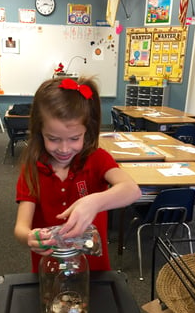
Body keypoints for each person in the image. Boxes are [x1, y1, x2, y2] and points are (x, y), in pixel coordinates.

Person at [14, 76, 141, 272]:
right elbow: (21, 228)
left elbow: (132, 190)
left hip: (94, 270)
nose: (64, 149)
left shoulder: (97, 159)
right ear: (40, 132)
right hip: (51, 270)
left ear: (86, 132)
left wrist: (94, 202)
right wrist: (29, 237)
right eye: (53, 139)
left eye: (74, 138)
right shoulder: (32, 168)